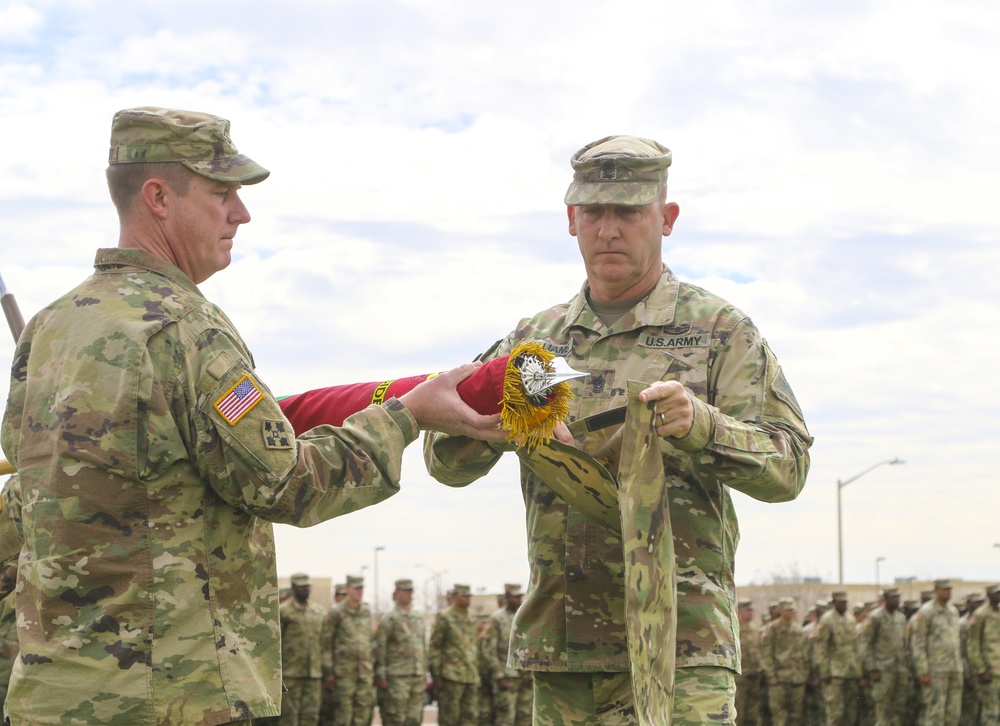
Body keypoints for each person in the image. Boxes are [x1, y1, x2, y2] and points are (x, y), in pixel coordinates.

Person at [0, 106, 505, 726]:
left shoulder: (49, 330)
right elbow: (286, 483)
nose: (241, 213)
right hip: (178, 695)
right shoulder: (184, 329)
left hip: (53, 696)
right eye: (221, 194)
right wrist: (404, 417)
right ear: (158, 197)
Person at [424, 134, 813, 725]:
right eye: (594, 212)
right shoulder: (536, 342)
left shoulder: (719, 331)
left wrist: (701, 426)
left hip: (682, 649)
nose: (609, 229)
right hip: (565, 652)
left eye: (629, 211)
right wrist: (489, 427)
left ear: (666, 218)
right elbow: (444, 463)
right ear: (572, 221)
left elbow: (789, 467)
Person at [322, 575, 375, 726]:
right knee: (343, 715)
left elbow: (370, 642)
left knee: (362, 716)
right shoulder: (336, 613)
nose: (360, 592)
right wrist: (329, 672)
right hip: (344, 673)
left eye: (361, 588)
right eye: (356, 588)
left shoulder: (366, 612)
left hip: (364, 673)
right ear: (348, 589)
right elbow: (327, 644)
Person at [373, 578, 427, 726]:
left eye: (411, 591)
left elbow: (422, 646)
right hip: (397, 677)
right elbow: (380, 648)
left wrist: (424, 671)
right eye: (406, 591)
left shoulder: (417, 618)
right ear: (397, 593)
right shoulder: (389, 619)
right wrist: (381, 675)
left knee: (414, 719)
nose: (409, 595)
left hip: (416, 676)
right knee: (396, 719)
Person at [911, 579, 963, 725]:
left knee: (953, 712)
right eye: (944, 589)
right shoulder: (926, 612)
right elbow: (918, 643)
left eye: (950, 589)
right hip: (936, 669)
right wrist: (923, 671)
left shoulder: (953, 611)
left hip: (954, 668)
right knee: (935, 712)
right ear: (936, 590)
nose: (948, 592)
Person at [428, 583, 479, 726]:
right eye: (464, 596)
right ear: (455, 597)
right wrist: (437, 675)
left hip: (470, 675)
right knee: (449, 718)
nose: (468, 599)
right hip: (451, 677)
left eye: (469, 596)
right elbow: (435, 647)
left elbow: (474, 646)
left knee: (470, 717)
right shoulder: (445, 617)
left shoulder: (471, 616)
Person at [280, 574, 326, 726]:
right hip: (291, 674)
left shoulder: (319, 612)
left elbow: (324, 642)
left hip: (314, 673)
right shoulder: (283, 612)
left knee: (311, 715)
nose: (305, 589)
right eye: (301, 586)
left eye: (307, 586)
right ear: (293, 588)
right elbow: (277, 643)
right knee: (289, 717)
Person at [860, 587, 909, 726]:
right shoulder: (875, 617)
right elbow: (865, 645)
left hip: (900, 669)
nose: (896, 600)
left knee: (899, 709)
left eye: (898, 597)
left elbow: (904, 644)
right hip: (883, 670)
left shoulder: (901, 617)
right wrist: (872, 668)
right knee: (883, 710)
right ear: (886, 599)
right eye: (893, 597)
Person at [815, 591, 864, 726]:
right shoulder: (827, 620)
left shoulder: (850, 620)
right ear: (834, 602)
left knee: (851, 713)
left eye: (845, 601)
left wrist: (859, 673)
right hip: (835, 673)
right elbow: (821, 647)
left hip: (851, 672)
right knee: (836, 713)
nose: (844, 604)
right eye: (841, 601)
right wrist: (824, 671)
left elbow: (856, 647)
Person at [487, 583, 533, 726]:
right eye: (514, 597)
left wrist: (530, 674)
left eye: (519, 596)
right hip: (507, 677)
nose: (518, 600)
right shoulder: (497, 618)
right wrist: (498, 676)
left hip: (525, 677)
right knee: (506, 717)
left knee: (525, 716)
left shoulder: (525, 617)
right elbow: (490, 650)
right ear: (506, 597)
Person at [761, 598, 810, 726]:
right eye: (788, 609)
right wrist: (771, 676)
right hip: (779, 680)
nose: (792, 612)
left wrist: (804, 674)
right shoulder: (772, 629)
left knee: (796, 717)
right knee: (779, 717)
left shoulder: (799, 630)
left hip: (797, 679)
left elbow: (805, 654)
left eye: (793, 609)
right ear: (781, 610)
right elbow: (766, 654)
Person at [967, 584, 1000, 726]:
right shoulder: (980, 615)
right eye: (995, 593)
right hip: (990, 673)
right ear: (988, 595)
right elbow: (972, 645)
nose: (998, 596)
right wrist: (981, 670)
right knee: (991, 713)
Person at [735, 599, 764, 726]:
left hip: (754, 676)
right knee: (738, 713)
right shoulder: (734, 628)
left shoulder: (755, 630)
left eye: (752, 611)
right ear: (739, 611)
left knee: (753, 714)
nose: (751, 613)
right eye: (748, 610)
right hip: (740, 678)